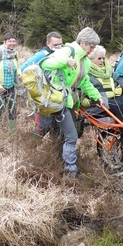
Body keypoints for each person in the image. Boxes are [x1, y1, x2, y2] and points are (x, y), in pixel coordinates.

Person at [40, 27, 103, 178]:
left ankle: (54, 161)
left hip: (67, 102)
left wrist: (97, 96)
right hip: (56, 100)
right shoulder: (68, 51)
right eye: (91, 47)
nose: (92, 50)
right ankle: (71, 171)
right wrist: (65, 61)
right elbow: (45, 63)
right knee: (71, 136)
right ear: (83, 43)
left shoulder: (85, 62)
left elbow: (84, 82)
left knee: (59, 134)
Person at [20, 31, 63, 136]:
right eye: (55, 45)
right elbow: (23, 68)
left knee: (56, 128)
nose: (58, 47)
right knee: (43, 127)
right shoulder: (43, 54)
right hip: (43, 96)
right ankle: (29, 146)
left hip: (56, 96)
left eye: (60, 45)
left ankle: (52, 150)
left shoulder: (61, 55)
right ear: (47, 43)